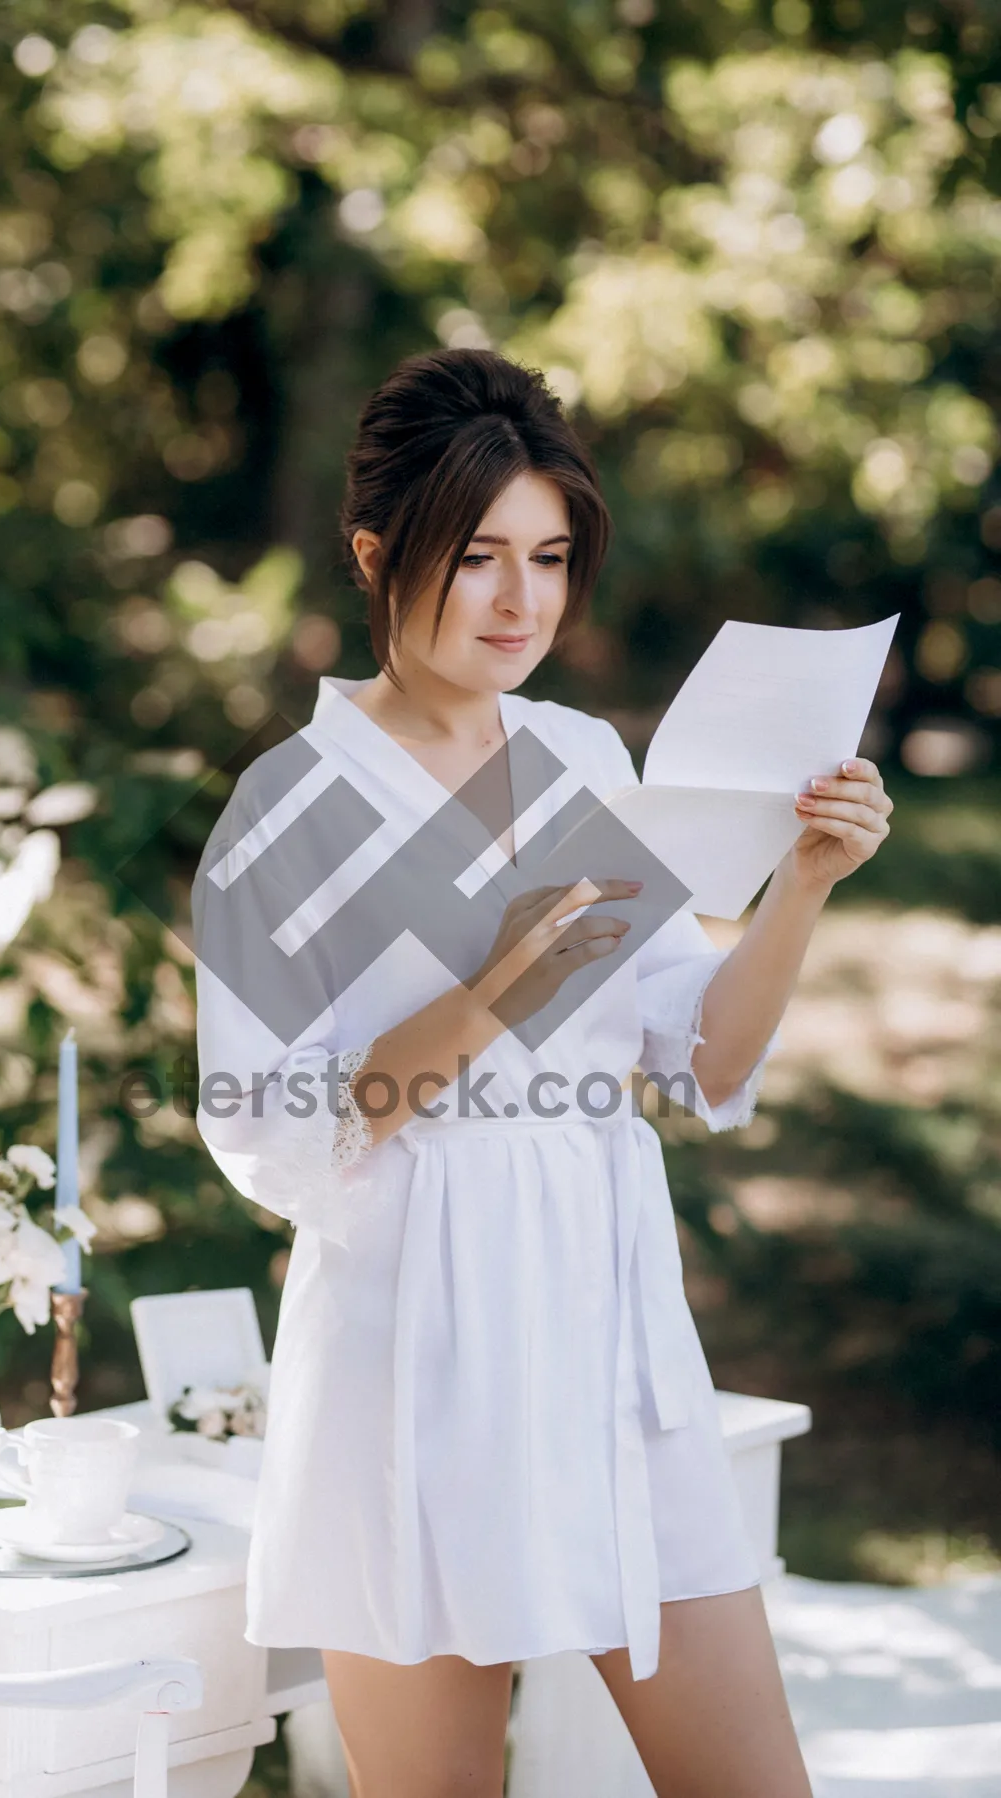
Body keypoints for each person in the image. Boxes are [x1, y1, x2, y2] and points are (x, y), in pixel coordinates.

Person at [191, 347, 893, 1798]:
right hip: (413, 1365)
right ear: (380, 554)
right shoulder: (285, 814)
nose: (522, 602)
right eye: (478, 559)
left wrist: (803, 886)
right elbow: (273, 1143)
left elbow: (697, 1055)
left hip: (609, 1343)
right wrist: (493, 989)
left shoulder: (582, 758)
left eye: (550, 557)